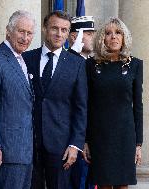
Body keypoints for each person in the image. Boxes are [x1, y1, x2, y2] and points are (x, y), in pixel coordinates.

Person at [23, 10, 88, 189]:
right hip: (29, 142)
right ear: (45, 29)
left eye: (64, 30)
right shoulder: (26, 58)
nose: (59, 34)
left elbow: (81, 108)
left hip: (61, 145)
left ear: (68, 33)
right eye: (54, 28)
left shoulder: (77, 64)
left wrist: (75, 144)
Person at [0, 10, 35, 189]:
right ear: (8, 31)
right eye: (21, 31)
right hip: (6, 153)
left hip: (24, 151)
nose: (25, 37)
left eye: (29, 33)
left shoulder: (21, 59)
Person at [82, 17, 143, 189]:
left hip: (125, 136)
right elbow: (86, 104)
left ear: (124, 37)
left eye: (118, 33)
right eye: (108, 33)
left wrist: (138, 144)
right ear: (102, 38)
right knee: (103, 184)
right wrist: (86, 140)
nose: (113, 37)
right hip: (100, 135)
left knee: (123, 184)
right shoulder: (91, 65)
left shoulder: (135, 64)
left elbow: (138, 106)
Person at [68, 16, 96, 189]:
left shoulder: (92, 64)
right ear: (74, 36)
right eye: (88, 33)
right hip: (74, 140)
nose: (93, 37)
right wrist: (72, 52)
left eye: (93, 33)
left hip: (92, 139)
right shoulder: (69, 62)